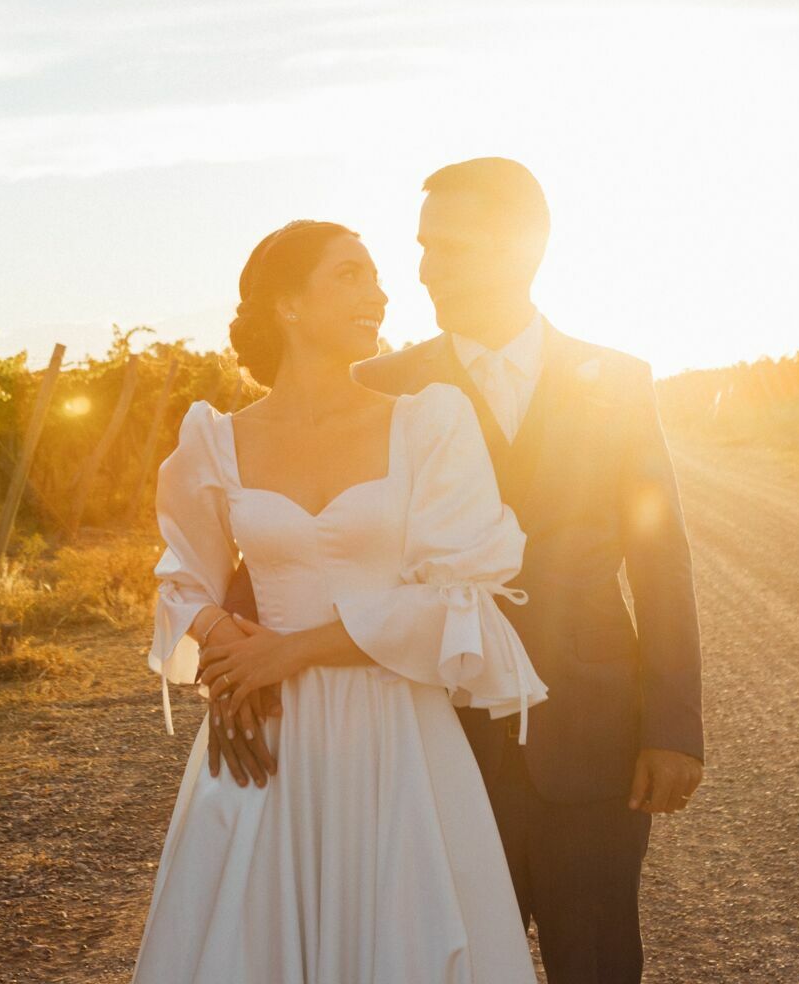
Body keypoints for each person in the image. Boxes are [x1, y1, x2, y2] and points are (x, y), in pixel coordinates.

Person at [209, 158, 706, 984]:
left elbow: (660, 557)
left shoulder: (617, 381)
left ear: (524, 249)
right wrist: (236, 660)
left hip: (591, 733)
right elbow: (294, 532)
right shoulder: (380, 387)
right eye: (424, 247)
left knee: (601, 960)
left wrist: (672, 727)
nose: (428, 269)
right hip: (424, 738)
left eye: (454, 247)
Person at [130, 218, 549, 983]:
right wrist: (228, 654)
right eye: (351, 275)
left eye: (376, 277)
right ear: (287, 305)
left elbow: (456, 597)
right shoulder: (214, 439)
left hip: (396, 735)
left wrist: (276, 655)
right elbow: (182, 578)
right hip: (269, 737)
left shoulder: (429, 422)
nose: (381, 294)